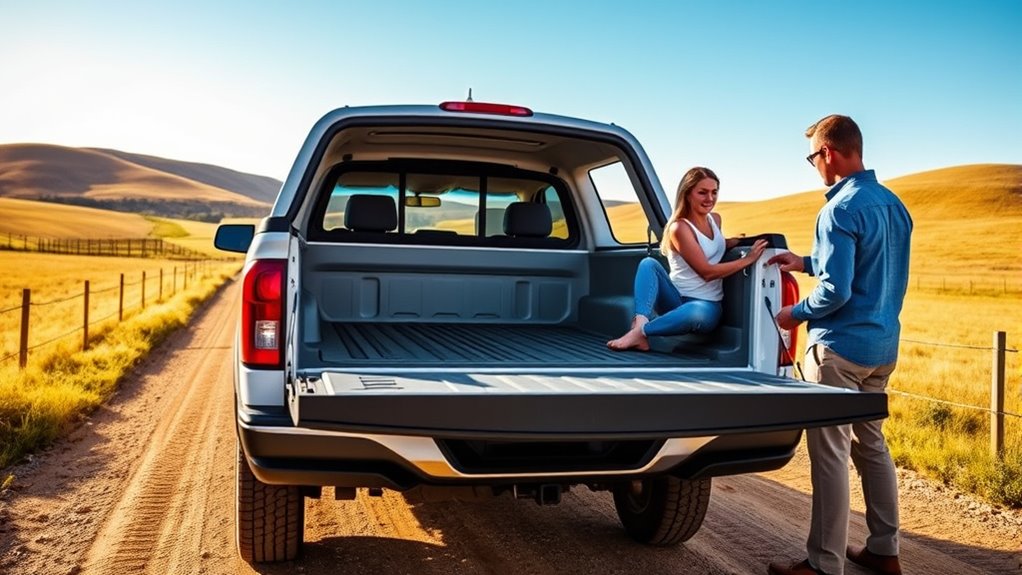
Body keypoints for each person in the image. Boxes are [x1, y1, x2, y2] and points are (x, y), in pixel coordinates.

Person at [766, 115, 912, 575]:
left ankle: (823, 564)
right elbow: (864, 265)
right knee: (872, 447)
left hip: (839, 352)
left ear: (828, 153)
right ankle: (884, 551)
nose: (814, 167)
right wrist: (806, 261)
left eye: (813, 157)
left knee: (829, 454)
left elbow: (836, 291)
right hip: (882, 349)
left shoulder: (839, 208)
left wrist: (794, 313)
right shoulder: (893, 205)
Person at [607, 166, 766, 351]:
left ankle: (641, 332)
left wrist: (733, 241)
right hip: (674, 299)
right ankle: (640, 325)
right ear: (688, 194)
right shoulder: (679, 228)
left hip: (706, 305)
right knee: (648, 264)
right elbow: (706, 272)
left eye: (714, 192)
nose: (710, 199)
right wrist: (747, 260)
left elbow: (711, 245)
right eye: (702, 193)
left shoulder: (715, 219)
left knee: (695, 312)